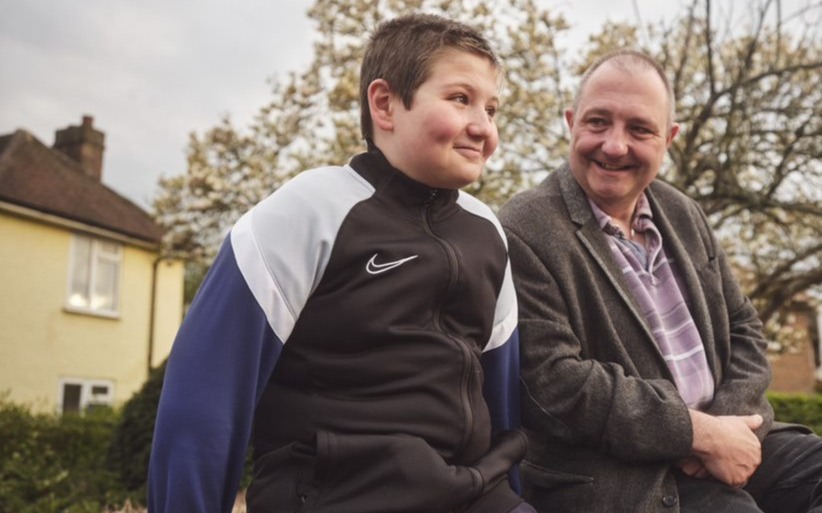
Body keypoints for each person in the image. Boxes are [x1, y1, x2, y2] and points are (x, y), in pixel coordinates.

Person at [148, 12, 536, 513]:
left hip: (470, 493)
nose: (484, 128)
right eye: (460, 99)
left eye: (493, 109)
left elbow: (502, 401)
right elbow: (204, 400)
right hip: (336, 491)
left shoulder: (488, 234)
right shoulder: (309, 210)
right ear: (385, 104)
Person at [498, 49, 822, 512]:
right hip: (621, 474)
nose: (614, 145)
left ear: (668, 138)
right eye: (597, 122)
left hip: (728, 440)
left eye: (639, 129)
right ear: (571, 122)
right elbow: (555, 385)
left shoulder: (682, 213)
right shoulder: (523, 227)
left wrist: (724, 430)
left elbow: (745, 328)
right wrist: (694, 434)